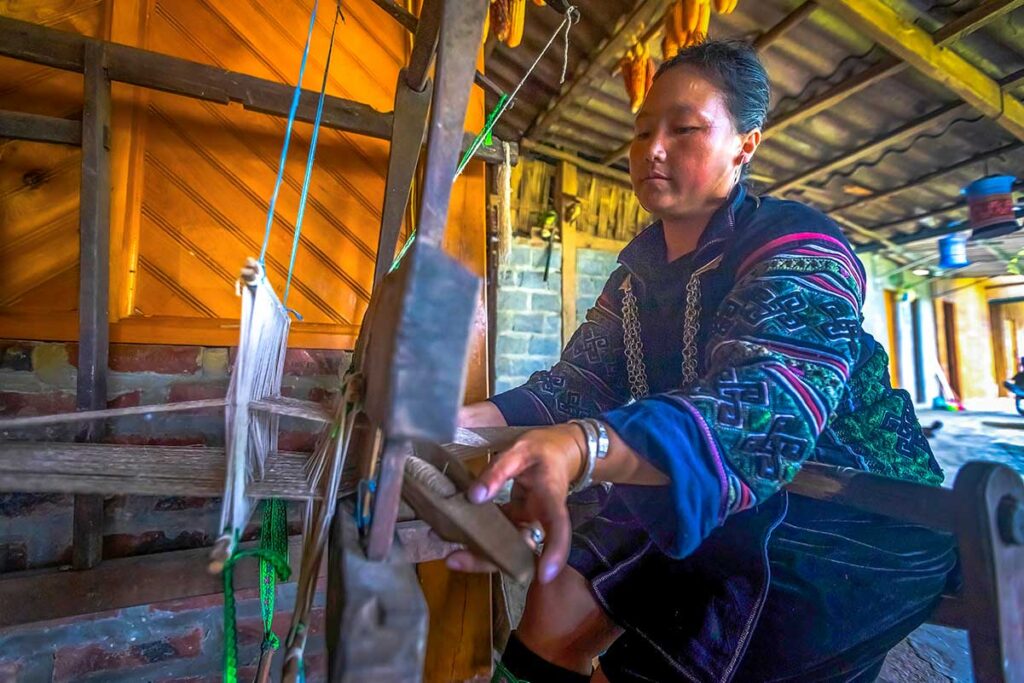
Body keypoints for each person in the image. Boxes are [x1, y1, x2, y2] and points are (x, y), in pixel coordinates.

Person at [455, 40, 956, 683]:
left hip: (858, 510)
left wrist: (585, 447)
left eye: (683, 129)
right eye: (640, 132)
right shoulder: (636, 276)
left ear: (745, 144)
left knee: (697, 646)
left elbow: (764, 407)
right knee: (555, 606)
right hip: (725, 494)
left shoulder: (800, 246)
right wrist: (461, 421)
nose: (650, 150)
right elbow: (577, 384)